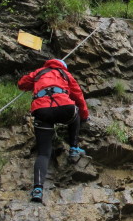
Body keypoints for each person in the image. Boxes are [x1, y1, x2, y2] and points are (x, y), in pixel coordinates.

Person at [17, 58, 89, 202]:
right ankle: (74, 147)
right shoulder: (65, 74)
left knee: (43, 153)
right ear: (63, 66)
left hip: (42, 111)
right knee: (75, 112)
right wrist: (84, 116)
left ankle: (37, 189)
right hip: (64, 108)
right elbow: (78, 96)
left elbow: (22, 84)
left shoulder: (39, 73)